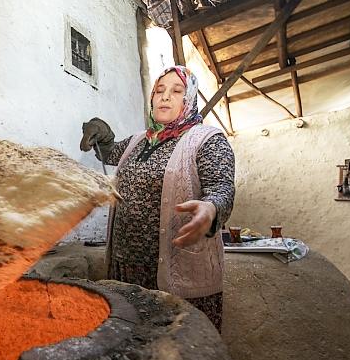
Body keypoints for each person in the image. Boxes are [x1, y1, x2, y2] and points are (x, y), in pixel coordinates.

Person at [79, 65, 235, 332]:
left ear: (190, 99)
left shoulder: (208, 140)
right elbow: (109, 154)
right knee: (132, 344)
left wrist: (210, 209)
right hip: (125, 267)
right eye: (159, 91)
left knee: (178, 346)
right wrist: (101, 134)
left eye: (177, 91)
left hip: (174, 272)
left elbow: (221, 189)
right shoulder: (139, 140)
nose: (165, 97)